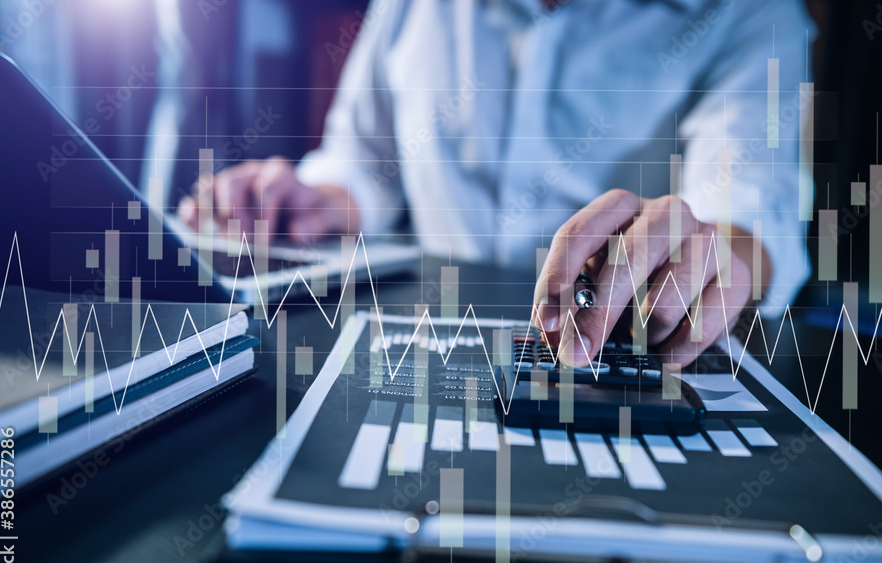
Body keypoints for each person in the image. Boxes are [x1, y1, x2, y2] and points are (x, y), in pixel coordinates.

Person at [179, 0, 815, 368]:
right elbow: (362, 160)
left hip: (606, 366)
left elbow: (752, 212)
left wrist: (713, 256)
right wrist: (313, 198)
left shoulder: (750, 13)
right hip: (420, 351)